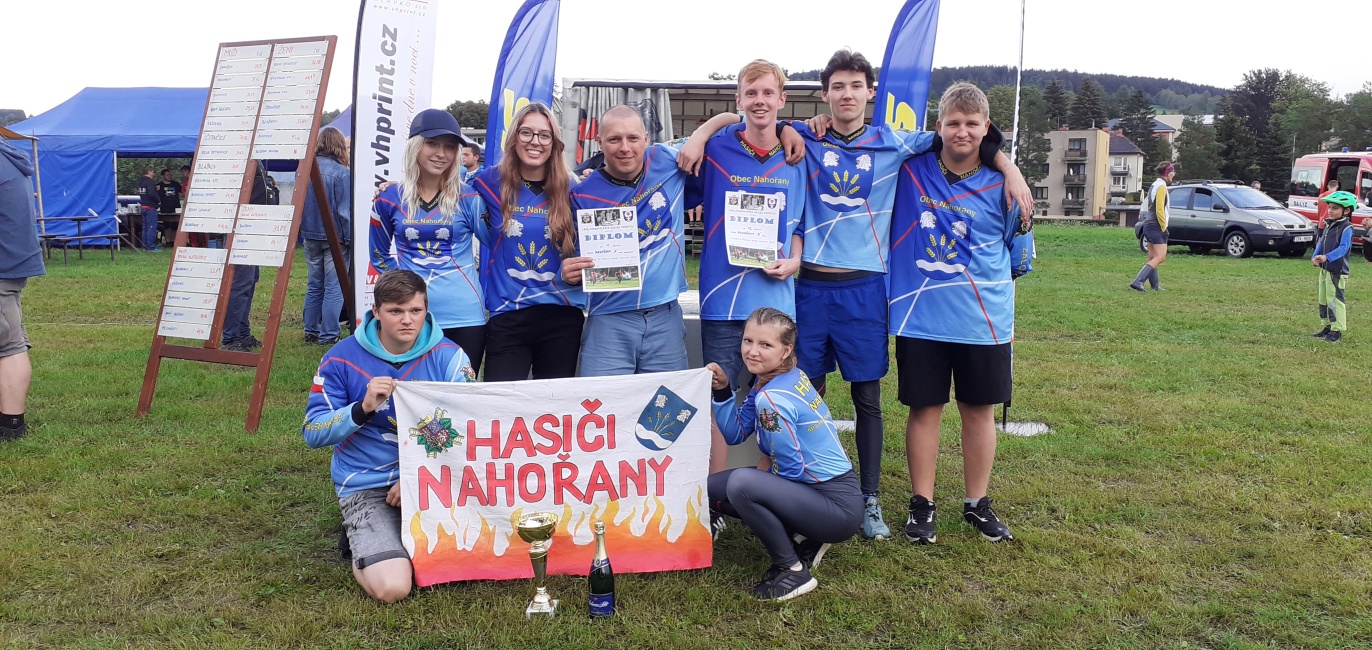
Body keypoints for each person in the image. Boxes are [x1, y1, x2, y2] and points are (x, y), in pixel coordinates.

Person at [702, 50, 1031, 540]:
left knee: (867, 399)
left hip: (865, 288)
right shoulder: (806, 137)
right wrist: (759, 128)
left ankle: (870, 498)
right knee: (797, 393)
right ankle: (789, 488)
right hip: (810, 287)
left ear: (870, 92)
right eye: (838, 86)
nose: (847, 94)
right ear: (824, 93)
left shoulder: (895, 142)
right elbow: (760, 120)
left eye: (856, 85)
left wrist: (1008, 166)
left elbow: (964, 137)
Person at [888, 82, 1030, 544]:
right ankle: (922, 504)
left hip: (982, 320)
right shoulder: (910, 171)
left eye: (972, 124)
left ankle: (977, 503)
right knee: (924, 409)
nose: (962, 132)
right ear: (939, 126)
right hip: (920, 316)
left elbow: (1018, 257)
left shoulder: (1005, 186)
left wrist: (1007, 166)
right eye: (953, 123)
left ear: (986, 128)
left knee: (978, 410)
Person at [303, 270, 475, 603]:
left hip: (436, 479)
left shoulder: (450, 356)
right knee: (393, 587)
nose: (407, 320)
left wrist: (416, 477)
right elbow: (313, 430)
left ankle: (389, 539)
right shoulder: (340, 358)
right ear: (377, 311)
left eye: (415, 310)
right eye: (396, 311)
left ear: (426, 310)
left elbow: (471, 427)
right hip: (368, 483)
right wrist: (362, 408)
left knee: (475, 560)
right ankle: (363, 540)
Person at [560, 106, 757, 377]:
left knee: (667, 404)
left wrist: (699, 136)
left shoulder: (665, 159)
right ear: (600, 142)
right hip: (608, 319)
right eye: (614, 139)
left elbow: (732, 121)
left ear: (646, 139)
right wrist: (571, 274)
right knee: (605, 404)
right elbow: (575, 262)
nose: (625, 148)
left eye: (632, 138)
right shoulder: (582, 195)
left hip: (665, 316)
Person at [706, 307, 862, 601]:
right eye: (748, 340)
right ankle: (806, 535)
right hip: (829, 493)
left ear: (786, 349)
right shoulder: (781, 376)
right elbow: (736, 433)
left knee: (740, 485)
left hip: (837, 507)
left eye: (766, 344)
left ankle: (792, 569)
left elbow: (790, 470)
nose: (752, 351)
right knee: (709, 489)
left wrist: (754, 485)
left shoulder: (772, 398)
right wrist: (723, 391)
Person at [467, 102, 584, 381]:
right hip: (508, 315)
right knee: (501, 403)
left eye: (544, 135)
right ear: (514, 138)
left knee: (554, 403)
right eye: (526, 132)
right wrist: (396, 188)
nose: (535, 141)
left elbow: (594, 244)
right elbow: (445, 192)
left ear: (554, 143)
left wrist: (580, 271)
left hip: (561, 315)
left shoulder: (573, 188)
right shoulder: (488, 182)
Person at [370, 109, 487, 375]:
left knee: (461, 393)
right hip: (410, 318)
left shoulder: (469, 198)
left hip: (465, 315)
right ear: (415, 146)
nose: (441, 154)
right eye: (432, 143)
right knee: (411, 393)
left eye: (450, 147)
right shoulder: (389, 198)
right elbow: (378, 254)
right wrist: (400, 293)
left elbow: (499, 245)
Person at [0, 139, 44, 442]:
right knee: (9, 340)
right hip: (12, 263)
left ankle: (11, 425)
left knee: (8, 346)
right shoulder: (8, 157)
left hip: (3, 265)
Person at [301, 126, 353, 346]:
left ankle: (310, 329)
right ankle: (329, 334)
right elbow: (344, 212)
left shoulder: (304, 169)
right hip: (334, 238)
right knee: (334, 286)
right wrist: (350, 239)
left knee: (314, 284)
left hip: (310, 235)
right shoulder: (342, 173)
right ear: (339, 145)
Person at [221, 165, 278, 352]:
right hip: (242, 228)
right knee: (240, 283)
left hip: (253, 228)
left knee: (249, 281)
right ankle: (231, 338)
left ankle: (242, 332)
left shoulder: (258, 161)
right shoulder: (242, 159)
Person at [1311, 190, 1358, 342]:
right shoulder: (1328, 224)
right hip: (1325, 269)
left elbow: (1344, 248)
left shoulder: (1347, 227)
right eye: (1330, 207)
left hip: (1337, 270)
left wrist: (1327, 257)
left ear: (1346, 210)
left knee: (1335, 300)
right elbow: (1321, 242)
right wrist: (1315, 256)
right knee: (1324, 298)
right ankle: (1328, 326)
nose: (1330, 210)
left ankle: (1336, 330)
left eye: (1335, 208)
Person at [1132, 162, 1175, 292]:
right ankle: (1138, 281)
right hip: (1156, 225)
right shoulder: (1161, 187)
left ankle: (1155, 286)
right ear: (1167, 173)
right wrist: (1163, 227)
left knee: (1152, 257)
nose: (1174, 174)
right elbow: (1159, 209)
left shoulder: (1154, 185)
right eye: (1173, 172)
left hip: (1148, 224)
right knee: (1160, 257)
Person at [156, 168, 183, 245]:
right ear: (163, 176)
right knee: (167, 226)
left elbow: (182, 193)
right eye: (167, 175)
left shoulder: (176, 184)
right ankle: (168, 242)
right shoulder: (159, 186)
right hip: (165, 208)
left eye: (170, 175)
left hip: (176, 208)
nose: (169, 176)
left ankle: (173, 241)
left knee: (175, 226)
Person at [136, 167, 161, 251]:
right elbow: (151, 193)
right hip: (150, 207)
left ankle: (145, 246)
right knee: (151, 227)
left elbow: (146, 192)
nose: (153, 173)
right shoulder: (150, 182)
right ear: (149, 172)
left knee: (145, 227)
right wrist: (158, 200)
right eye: (153, 172)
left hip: (143, 205)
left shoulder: (141, 182)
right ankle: (151, 246)